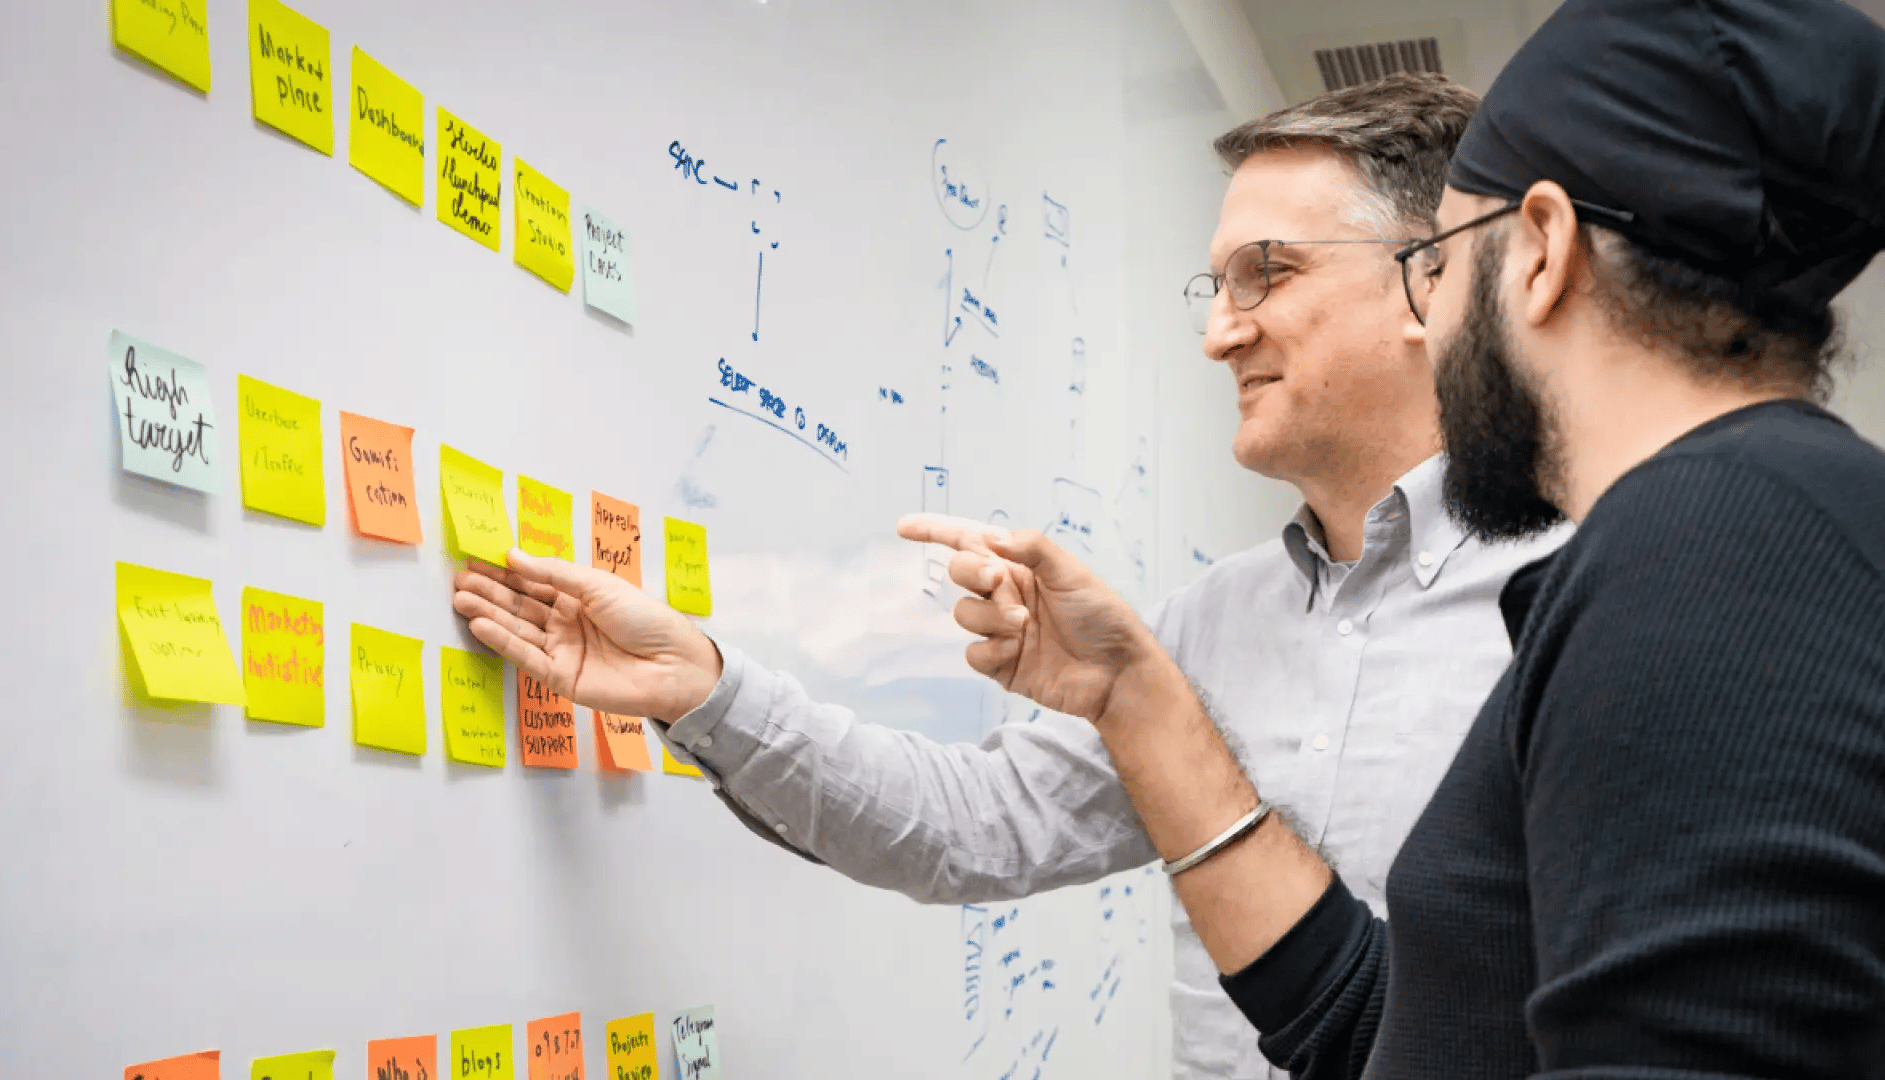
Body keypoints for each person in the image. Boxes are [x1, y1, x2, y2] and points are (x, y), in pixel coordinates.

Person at [452, 75, 1568, 1079]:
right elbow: (970, 826)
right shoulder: (1206, 628)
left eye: (1264, 275)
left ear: (1432, 280)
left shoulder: (1579, 599)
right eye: (1216, 284)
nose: (1219, 335)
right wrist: (703, 687)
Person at [892, 0, 1885, 1075]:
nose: (1433, 314)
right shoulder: (1699, 541)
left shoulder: (1721, 554)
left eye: (1444, 264)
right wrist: (1137, 697)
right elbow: (1414, 1033)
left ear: (1541, 253)